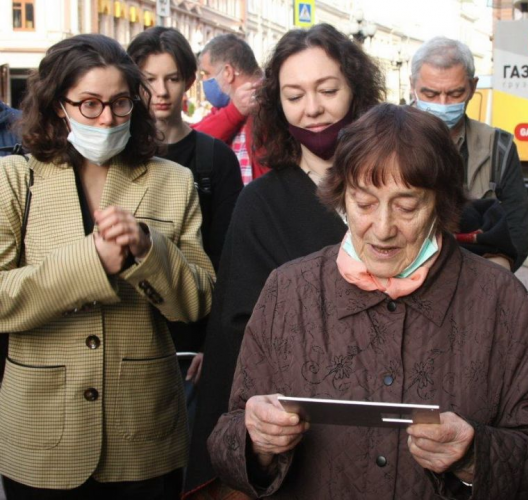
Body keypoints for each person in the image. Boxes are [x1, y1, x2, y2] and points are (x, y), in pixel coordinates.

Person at [208, 103, 528, 499]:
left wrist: (474, 455)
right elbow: (226, 440)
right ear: (342, 198)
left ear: (440, 205)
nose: (383, 228)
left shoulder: (500, 300)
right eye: (364, 202)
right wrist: (257, 442)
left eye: (407, 206)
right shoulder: (289, 290)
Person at [0, 34, 214, 498]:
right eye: (90, 105)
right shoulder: (17, 178)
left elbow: (198, 301)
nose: (107, 118)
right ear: (59, 104)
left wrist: (148, 249)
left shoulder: (173, 181)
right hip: (41, 434)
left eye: (120, 103)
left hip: (142, 431)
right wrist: (90, 261)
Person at [185, 23, 385, 494]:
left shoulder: (395, 188)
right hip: (299, 438)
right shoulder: (260, 204)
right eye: (294, 95)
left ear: (356, 91)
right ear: (278, 105)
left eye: (328, 90)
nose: (312, 109)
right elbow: (237, 331)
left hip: (392, 422)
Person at [127, 26, 243, 427]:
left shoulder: (215, 159)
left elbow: (226, 259)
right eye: (148, 79)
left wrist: (216, 344)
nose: (160, 91)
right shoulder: (116, 157)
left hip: (191, 346)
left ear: (189, 82)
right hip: (131, 340)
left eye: (172, 79)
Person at [410, 36, 528, 271]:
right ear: (412, 85)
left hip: (477, 281)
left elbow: (518, 234)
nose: (443, 104)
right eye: (431, 94)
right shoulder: (384, 139)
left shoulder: (498, 147)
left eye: (454, 94)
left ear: (473, 87)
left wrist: (489, 282)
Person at [195, 33, 269, 185]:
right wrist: (235, 111)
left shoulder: (272, 102)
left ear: (228, 72)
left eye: (206, 73)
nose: (204, 80)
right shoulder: (228, 106)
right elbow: (196, 141)